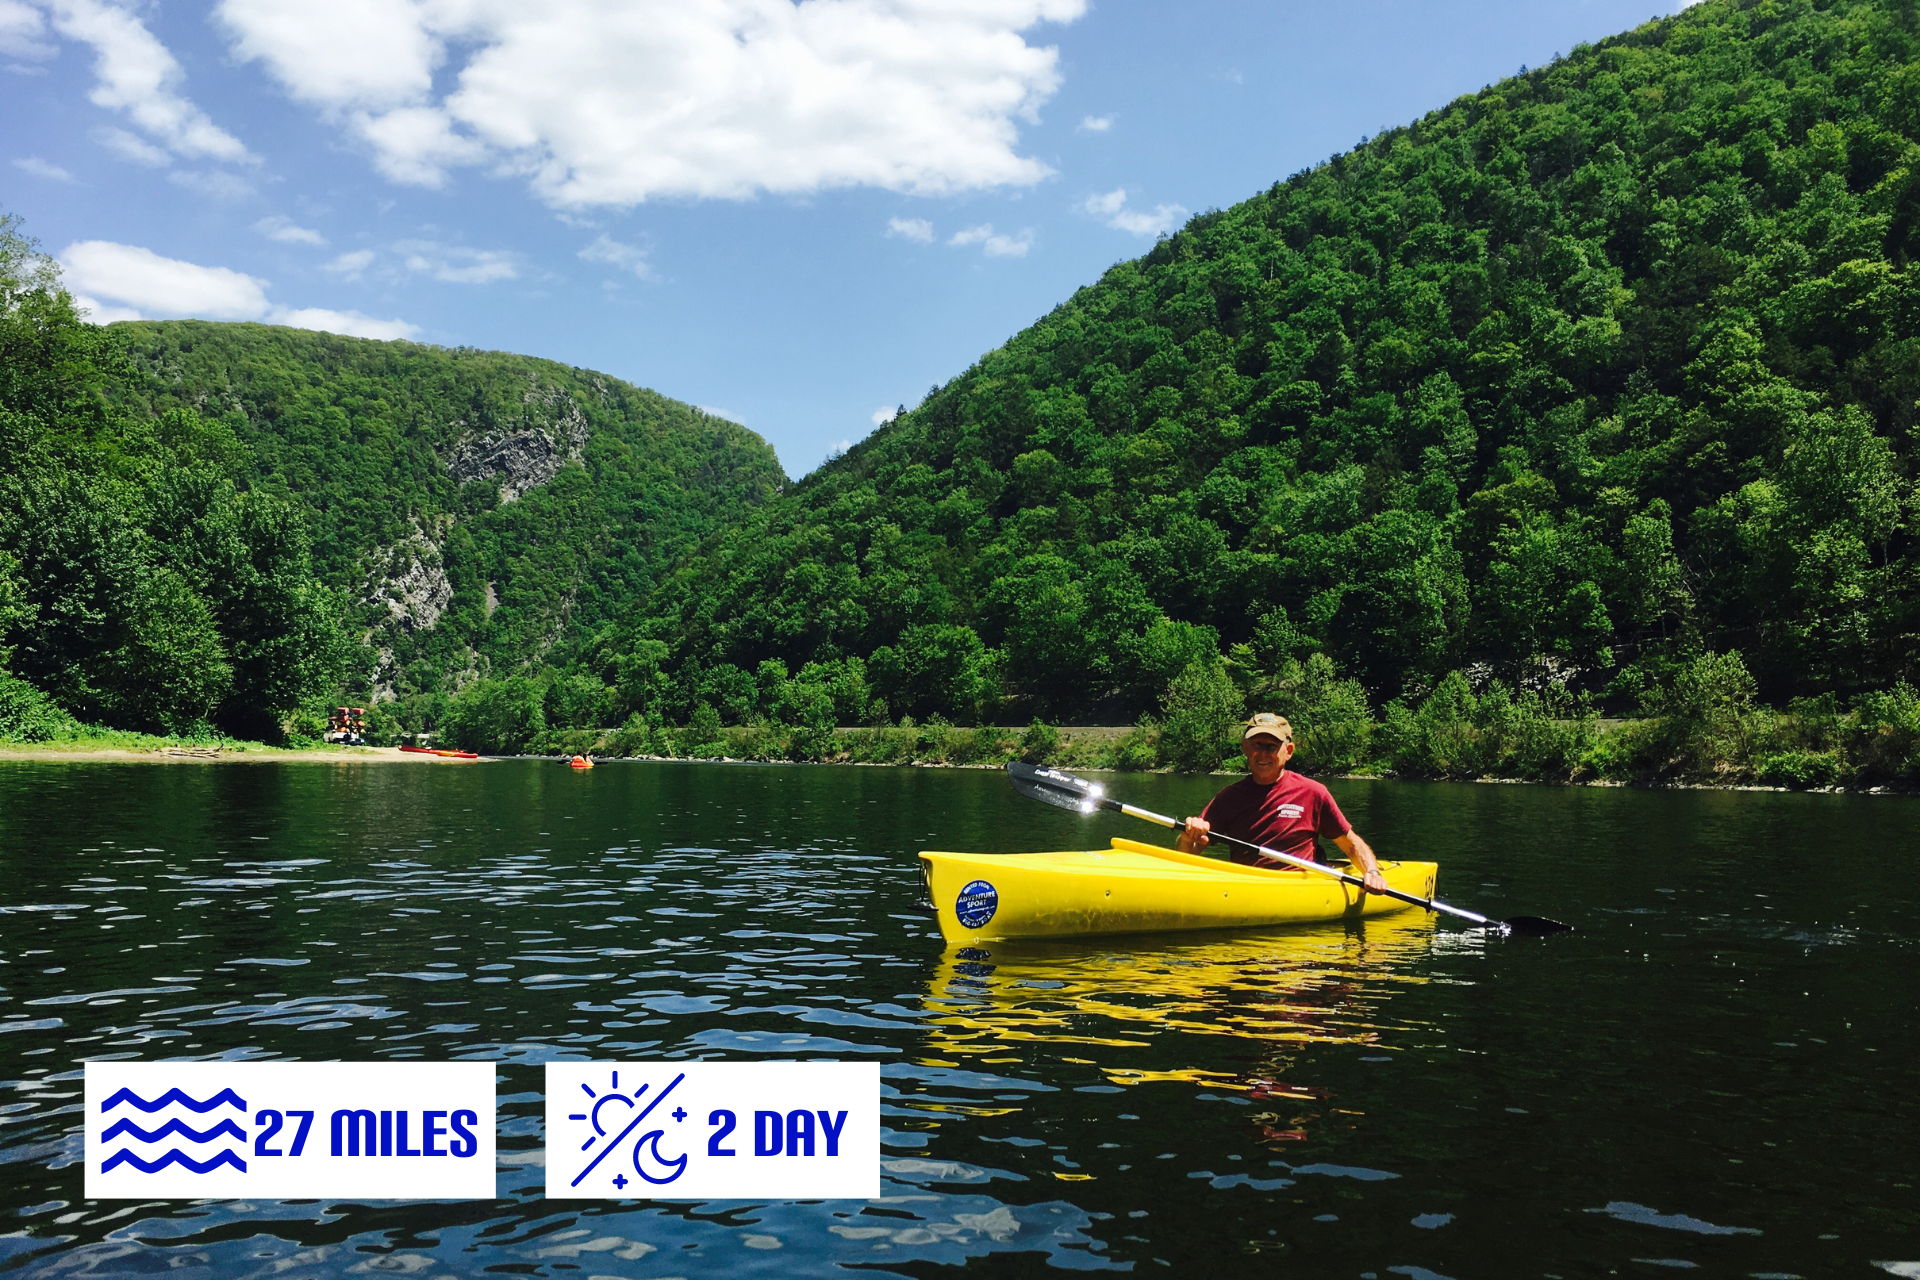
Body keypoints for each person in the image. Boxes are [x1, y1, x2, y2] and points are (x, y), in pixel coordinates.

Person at [1176, 712, 1389, 893]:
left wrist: (1371, 872)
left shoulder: (1313, 793)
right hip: (1245, 885)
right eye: (1257, 745)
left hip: (1296, 887)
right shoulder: (1228, 797)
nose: (1263, 753)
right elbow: (1186, 855)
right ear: (1245, 748)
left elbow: (1351, 845)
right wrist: (1189, 837)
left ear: (1288, 752)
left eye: (1271, 746)